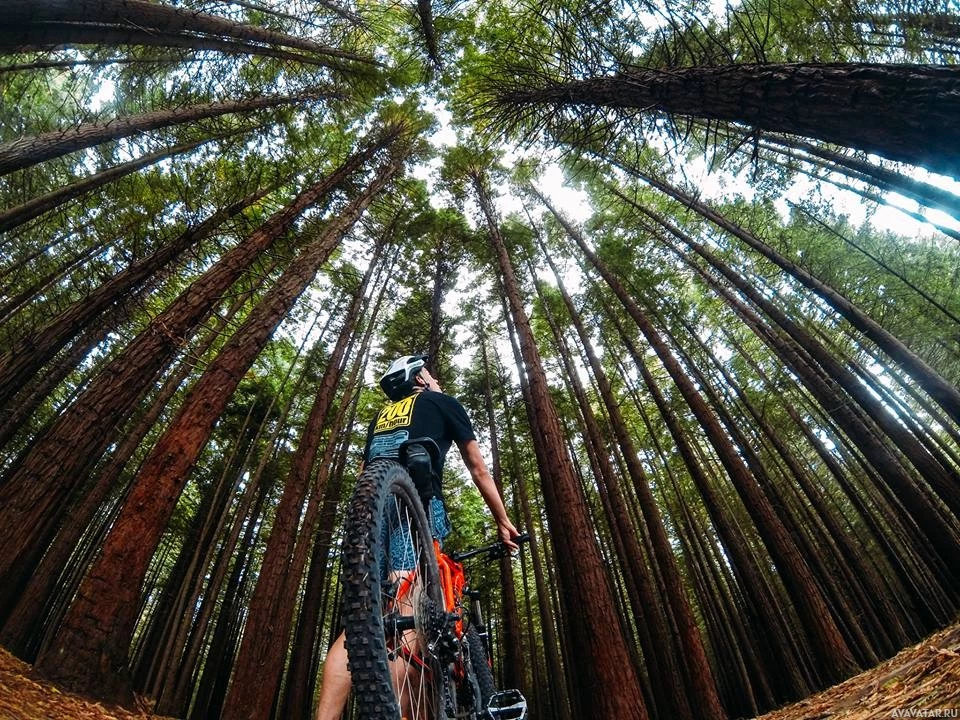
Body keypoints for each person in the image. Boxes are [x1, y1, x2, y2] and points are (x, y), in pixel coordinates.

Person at [314, 353, 519, 720]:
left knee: (363, 624)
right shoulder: (442, 402)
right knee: (408, 617)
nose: (435, 378)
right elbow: (478, 468)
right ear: (420, 377)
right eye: (429, 373)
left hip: (372, 508)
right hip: (416, 504)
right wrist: (503, 520)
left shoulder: (381, 416)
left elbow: (365, 471)